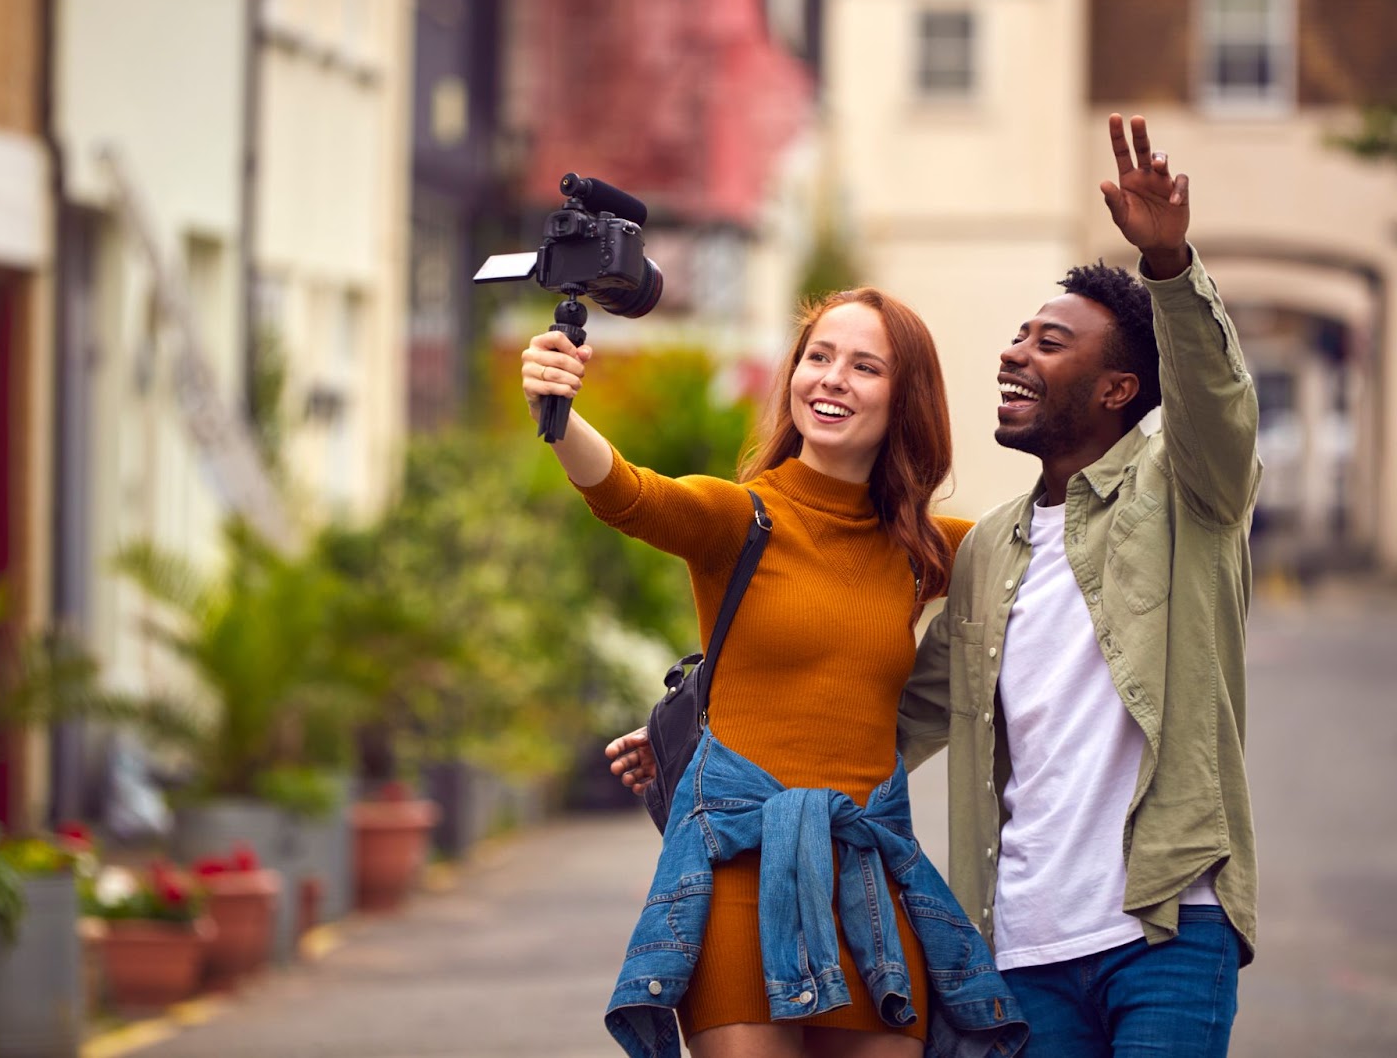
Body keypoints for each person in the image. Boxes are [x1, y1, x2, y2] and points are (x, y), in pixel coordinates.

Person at [609, 113, 1260, 1057]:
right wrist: (700, 738)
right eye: (1017, 336)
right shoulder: (989, 550)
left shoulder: (1186, 503)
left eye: (1049, 343)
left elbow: (1218, 410)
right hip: (1022, 943)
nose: (1012, 353)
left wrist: (1168, 267)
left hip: (1165, 921)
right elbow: (885, 711)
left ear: (1119, 391)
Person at [524, 287, 1025, 1057]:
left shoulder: (925, 549)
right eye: (817, 357)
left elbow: (1050, 552)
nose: (830, 378)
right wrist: (558, 415)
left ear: (906, 399)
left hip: (868, 877)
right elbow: (627, 492)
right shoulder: (740, 518)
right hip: (735, 874)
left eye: (864, 366)